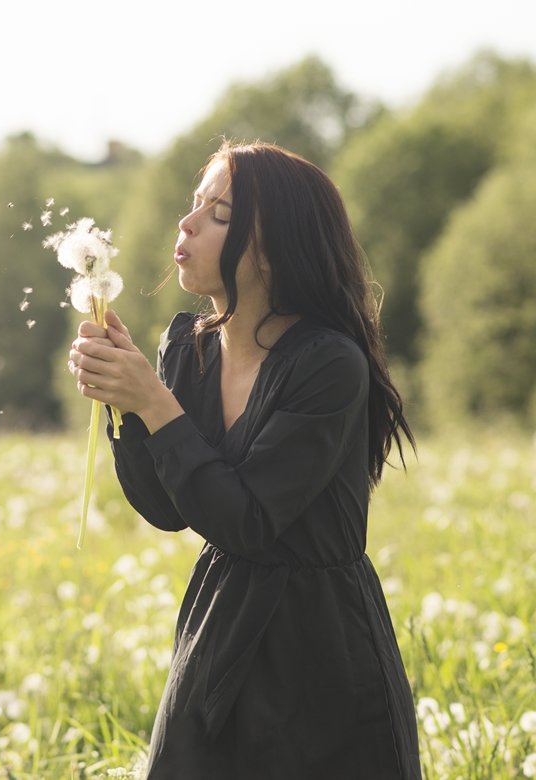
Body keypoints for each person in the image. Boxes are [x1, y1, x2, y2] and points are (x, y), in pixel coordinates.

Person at [66, 140, 422, 779]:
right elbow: (169, 510)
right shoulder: (189, 348)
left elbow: (251, 522)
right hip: (219, 631)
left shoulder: (327, 364)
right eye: (194, 205)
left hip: (322, 650)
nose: (188, 223)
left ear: (273, 246)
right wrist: (128, 403)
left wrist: (156, 405)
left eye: (220, 215)